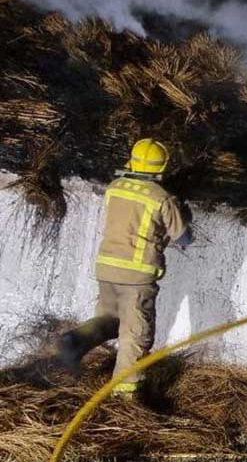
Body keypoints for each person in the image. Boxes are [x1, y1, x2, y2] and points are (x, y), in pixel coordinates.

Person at [59, 138, 192, 395]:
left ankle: (75, 340)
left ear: (132, 161)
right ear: (161, 168)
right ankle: (124, 395)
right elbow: (184, 238)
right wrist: (183, 214)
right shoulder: (161, 198)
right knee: (135, 334)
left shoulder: (115, 187)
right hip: (137, 277)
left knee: (109, 320)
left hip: (107, 269)